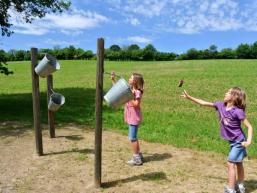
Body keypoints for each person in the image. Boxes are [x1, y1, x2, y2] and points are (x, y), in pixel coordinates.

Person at [181, 87, 253, 193]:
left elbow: (249, 127)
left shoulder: (237, 111)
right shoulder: (220, 105)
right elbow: (204, 103)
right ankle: (240, 186)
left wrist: (248, 142)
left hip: (239, 141)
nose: (225, 93)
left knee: (230, 163)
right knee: (238, 163)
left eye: (228, 92)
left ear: (234, 97)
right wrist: (189, 97)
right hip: (232, 141)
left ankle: (231, 189)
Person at [111, 72, 144, 166]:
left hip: (134, 116)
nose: (129, 79)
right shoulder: (130, 89)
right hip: (131, 116)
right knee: (133, 137)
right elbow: (118, 90)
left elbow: (136, 104)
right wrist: (113, 80)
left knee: (132, 138)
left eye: (131, 78)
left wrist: (128, 97)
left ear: (135, 81)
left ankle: (137, 158)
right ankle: (139, 154)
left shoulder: (137, 91)